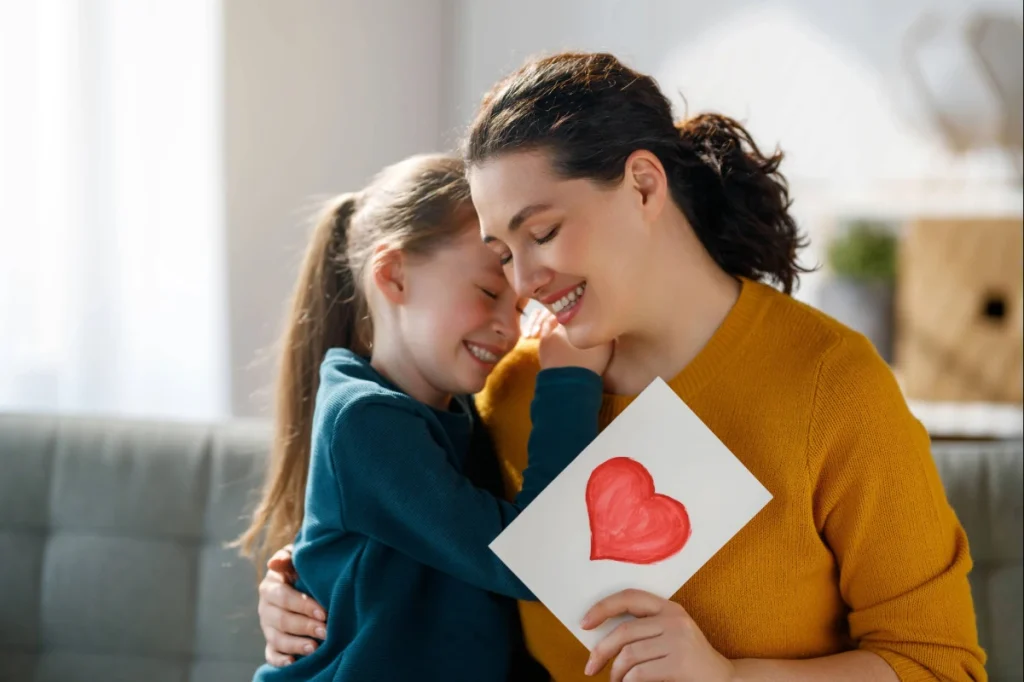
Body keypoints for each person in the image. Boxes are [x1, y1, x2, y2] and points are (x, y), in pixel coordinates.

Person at [255, 53, 987, 682]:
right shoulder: (512, 388)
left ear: (643, 184)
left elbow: (939, 664)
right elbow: (426, 536)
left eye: (542, 233)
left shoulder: (829, 383)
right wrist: (304, 580)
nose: (523, 284)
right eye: (502, 255)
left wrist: (728, 676)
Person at [237, 153, 611, 682]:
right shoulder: (364, 419)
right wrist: (568, 383)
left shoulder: (454, 408)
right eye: (488, 293)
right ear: (393, 276)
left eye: (521, 307)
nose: (510, 328)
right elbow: (531, 558)